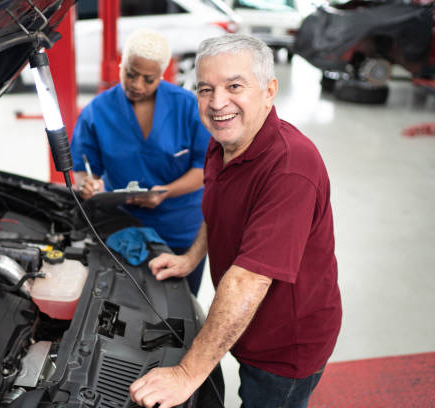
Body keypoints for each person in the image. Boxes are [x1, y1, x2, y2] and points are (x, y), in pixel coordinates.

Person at [129, 34, 342, 408]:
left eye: (234, 86)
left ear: (269, 90)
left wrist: (186, 374)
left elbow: (248, 280)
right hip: (248, 327)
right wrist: (192, 258)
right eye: (206, 89)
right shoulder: (224, 141)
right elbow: (219, 209)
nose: (217, 102)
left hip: (284, 347)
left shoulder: (291, 169)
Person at [70, 28, 211, 295]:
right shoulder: (97, 112)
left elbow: (206, 169)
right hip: (125, 229)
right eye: (131, 74)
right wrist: (87, 185)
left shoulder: (188, 107)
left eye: (149, 79)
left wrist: (165, 192)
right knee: (128, 301)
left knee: (181, 304)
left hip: (181, 230)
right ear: (121, 64)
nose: (137, 85)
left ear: (163, 73)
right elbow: (84, 168)